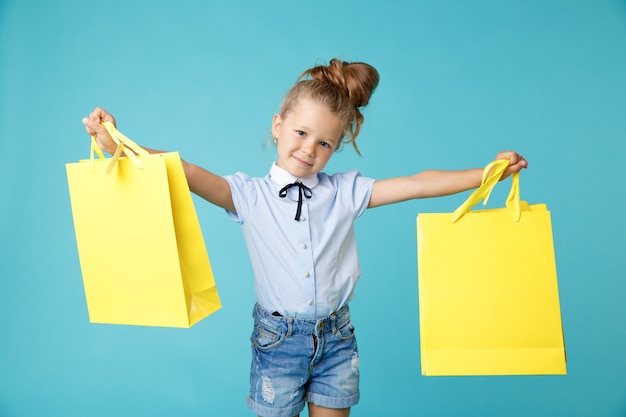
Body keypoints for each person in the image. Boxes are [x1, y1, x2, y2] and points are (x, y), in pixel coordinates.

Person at [82, 58, 527, 417]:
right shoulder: (248, 195)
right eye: (300, 133)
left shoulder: (345, 192)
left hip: (337, 337)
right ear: (278, 125)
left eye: (325, 143)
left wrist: (485, 173)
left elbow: (415, 183)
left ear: (337, 147)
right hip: (279, 341)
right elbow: (187, 171)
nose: (309, 149)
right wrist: (118, 144)